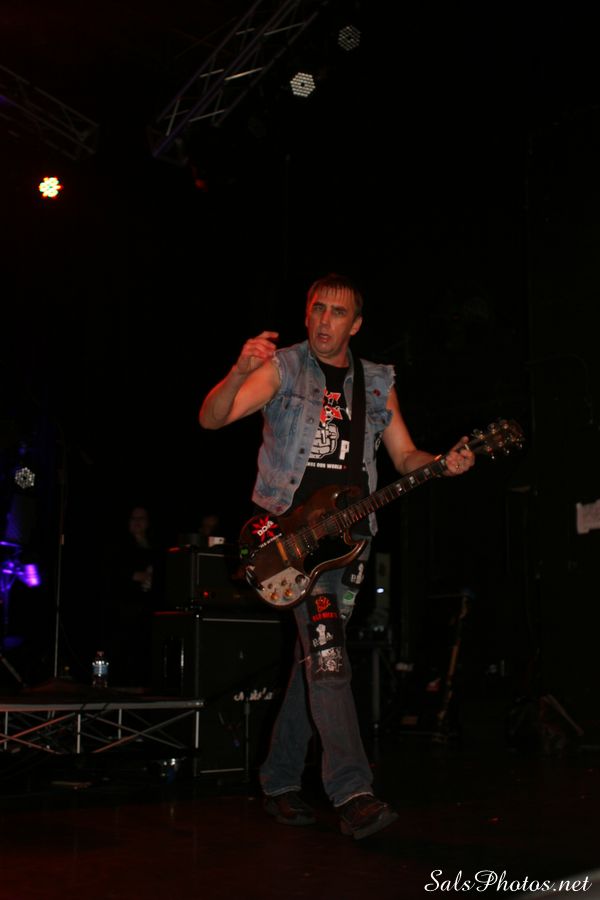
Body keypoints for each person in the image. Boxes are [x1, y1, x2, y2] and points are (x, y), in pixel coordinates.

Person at [199, 273, 475, 839]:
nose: (326, 321)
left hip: (348, 547)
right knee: (328, 659)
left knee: (318, 662)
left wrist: (441, 464)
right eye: (318, 309)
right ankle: (353, 792)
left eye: (338, 312)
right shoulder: (284, 368)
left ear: (357, 324)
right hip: (288, 545)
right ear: (307, 314)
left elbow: (405, 456)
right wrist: (239, 372)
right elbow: (213, 417)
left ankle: (279, 780)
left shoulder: (377, 382)